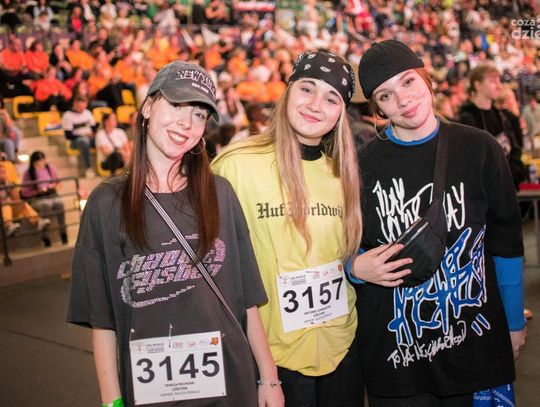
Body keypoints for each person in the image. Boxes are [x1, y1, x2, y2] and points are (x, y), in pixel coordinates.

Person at [67, 60, 284, 407]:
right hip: (151, 392)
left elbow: (246, 302)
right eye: (176, 105)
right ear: (148, 107)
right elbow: (102, 320)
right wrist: (111, 401)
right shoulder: (105, 203)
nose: (186, 123)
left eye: (198, 114)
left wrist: (269, 379)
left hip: (230, 384)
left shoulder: (221, 193)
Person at [351, 39, 526, 406]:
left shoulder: (479, 149)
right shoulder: (362, 165)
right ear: (377, 108)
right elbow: (342, 247)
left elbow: (506, 243)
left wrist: (513, 322)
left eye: (408, 82)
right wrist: (353, 267)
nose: (402, 100)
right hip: (396, 357)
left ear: (425, 78)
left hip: (474, 348)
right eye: (385, 95)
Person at [212, 51, 364, 406]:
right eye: (307, 89)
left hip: (341, 349)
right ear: (287, 92)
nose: (315, 105)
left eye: (331, 98)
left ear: (341, 113)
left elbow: (341, 256)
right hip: (270, 359)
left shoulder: (343, 174)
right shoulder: (236, 166)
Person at [458, 64, 526, 189]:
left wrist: (513, 172)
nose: (499, 86)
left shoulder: (501, 115)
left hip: (507, 184)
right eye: (492, 81)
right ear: (478, 85)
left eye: (498, 81)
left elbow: (514, 148)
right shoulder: (468, 118)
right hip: (485, 188)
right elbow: (472, 159)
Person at [20, 151, 68, 245]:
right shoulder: (28, 173)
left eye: (42, 160)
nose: (40, 163)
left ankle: (63, 233)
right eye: (38, 161)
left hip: (51, 194)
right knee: (45, 205)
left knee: (59, 203)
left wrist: (52, 187)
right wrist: (37, 191)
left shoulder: (50, 168)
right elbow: (24, 192)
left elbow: (58, 183)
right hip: (37, 198)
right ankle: (45, 237)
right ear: (33, 162)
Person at [0, 165, 51, 242]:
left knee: (21, 203)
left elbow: (16, 198)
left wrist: (9, 186)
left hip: (8, 211)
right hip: (3, 210)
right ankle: (8, 226)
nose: (3, 174)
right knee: (5, 205)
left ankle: (37, 221)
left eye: (4, 172)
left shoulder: (7, 183)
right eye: (1, 172)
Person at [61, 95, 97, 178]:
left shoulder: (87, 112)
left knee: (101, 138)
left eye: (84, 106)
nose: (82, 109)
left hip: (90, 138)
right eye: (80, 106)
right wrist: (83, 135)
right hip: (75, 141)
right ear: (75, 104)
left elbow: (94, 128)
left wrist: (94, 134)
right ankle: (88, 168)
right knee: (84, 141)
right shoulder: (67, 115)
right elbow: (68, 136)